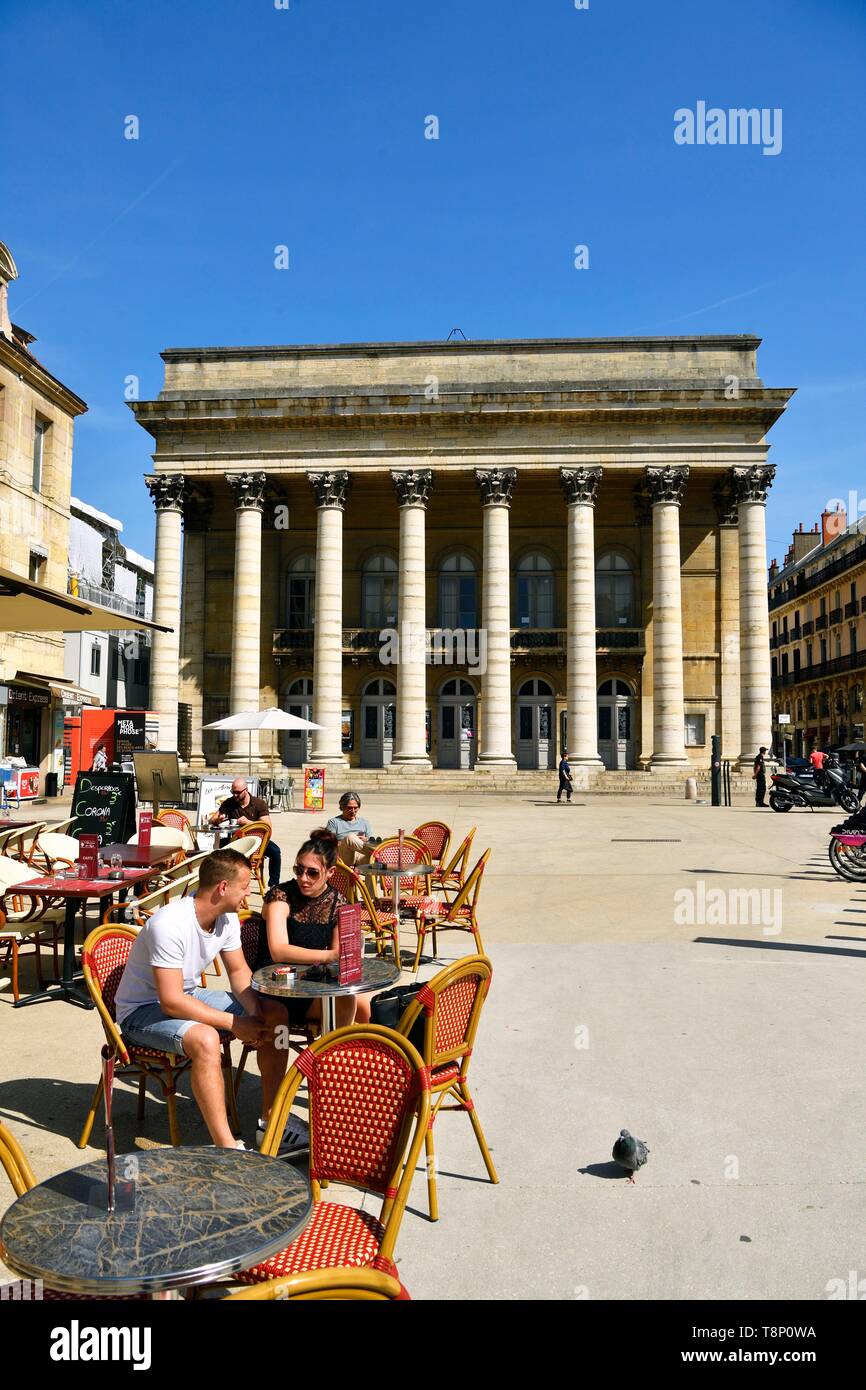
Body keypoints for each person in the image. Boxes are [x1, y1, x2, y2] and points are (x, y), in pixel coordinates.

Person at [115, 849, 289, 1150]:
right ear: (223, 888)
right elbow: (170, 1001)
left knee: (276, 1014)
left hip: (188, 995)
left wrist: (256, 1015)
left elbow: (237, 972)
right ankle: (226, 1147)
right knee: (207, 1039)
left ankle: (270, 1119)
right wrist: (236, 1024)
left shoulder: (227, 918)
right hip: (141, 1012)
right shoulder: (169, 924)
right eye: (245, 885)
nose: (250, 891)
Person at [256, 827, 374, 1034]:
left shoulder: (339, 902)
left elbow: (344, 959)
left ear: (330, 872)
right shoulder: (281, 894)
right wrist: (330, 956)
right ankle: (331, 1057)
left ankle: (358, 1058)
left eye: (312, 872)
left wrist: (347, 957)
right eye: (298, 870)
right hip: (277, 984)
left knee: (368, 1003)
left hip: (312, 981)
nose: (303, 878)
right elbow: (279, 950)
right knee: (345, 1000)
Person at [209, 777, 282, 889]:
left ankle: (274, 884)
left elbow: (267, 826)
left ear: (246, 790)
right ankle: (218, 881)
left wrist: (248, 823)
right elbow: (212, 820)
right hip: (237, 841)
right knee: (216, 849)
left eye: (238, 793)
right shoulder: (230, 803)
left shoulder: (258, 804)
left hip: (257, 841)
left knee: (276, 852)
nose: (235, 795)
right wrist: (217, 820)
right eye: (233, 792)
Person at [326, 790, 376, 866]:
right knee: (350, 837)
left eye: (355, 808)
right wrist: (347, 842)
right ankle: (379, 853)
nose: (353, 811)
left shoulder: (364, 822)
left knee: (373, 864)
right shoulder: (334, 822)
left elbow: (371, 842)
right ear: (342, 807)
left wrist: (366, 840)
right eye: (349, 808)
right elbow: (327, 845)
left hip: (361, 856)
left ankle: (378, 856)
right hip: (343, 857)